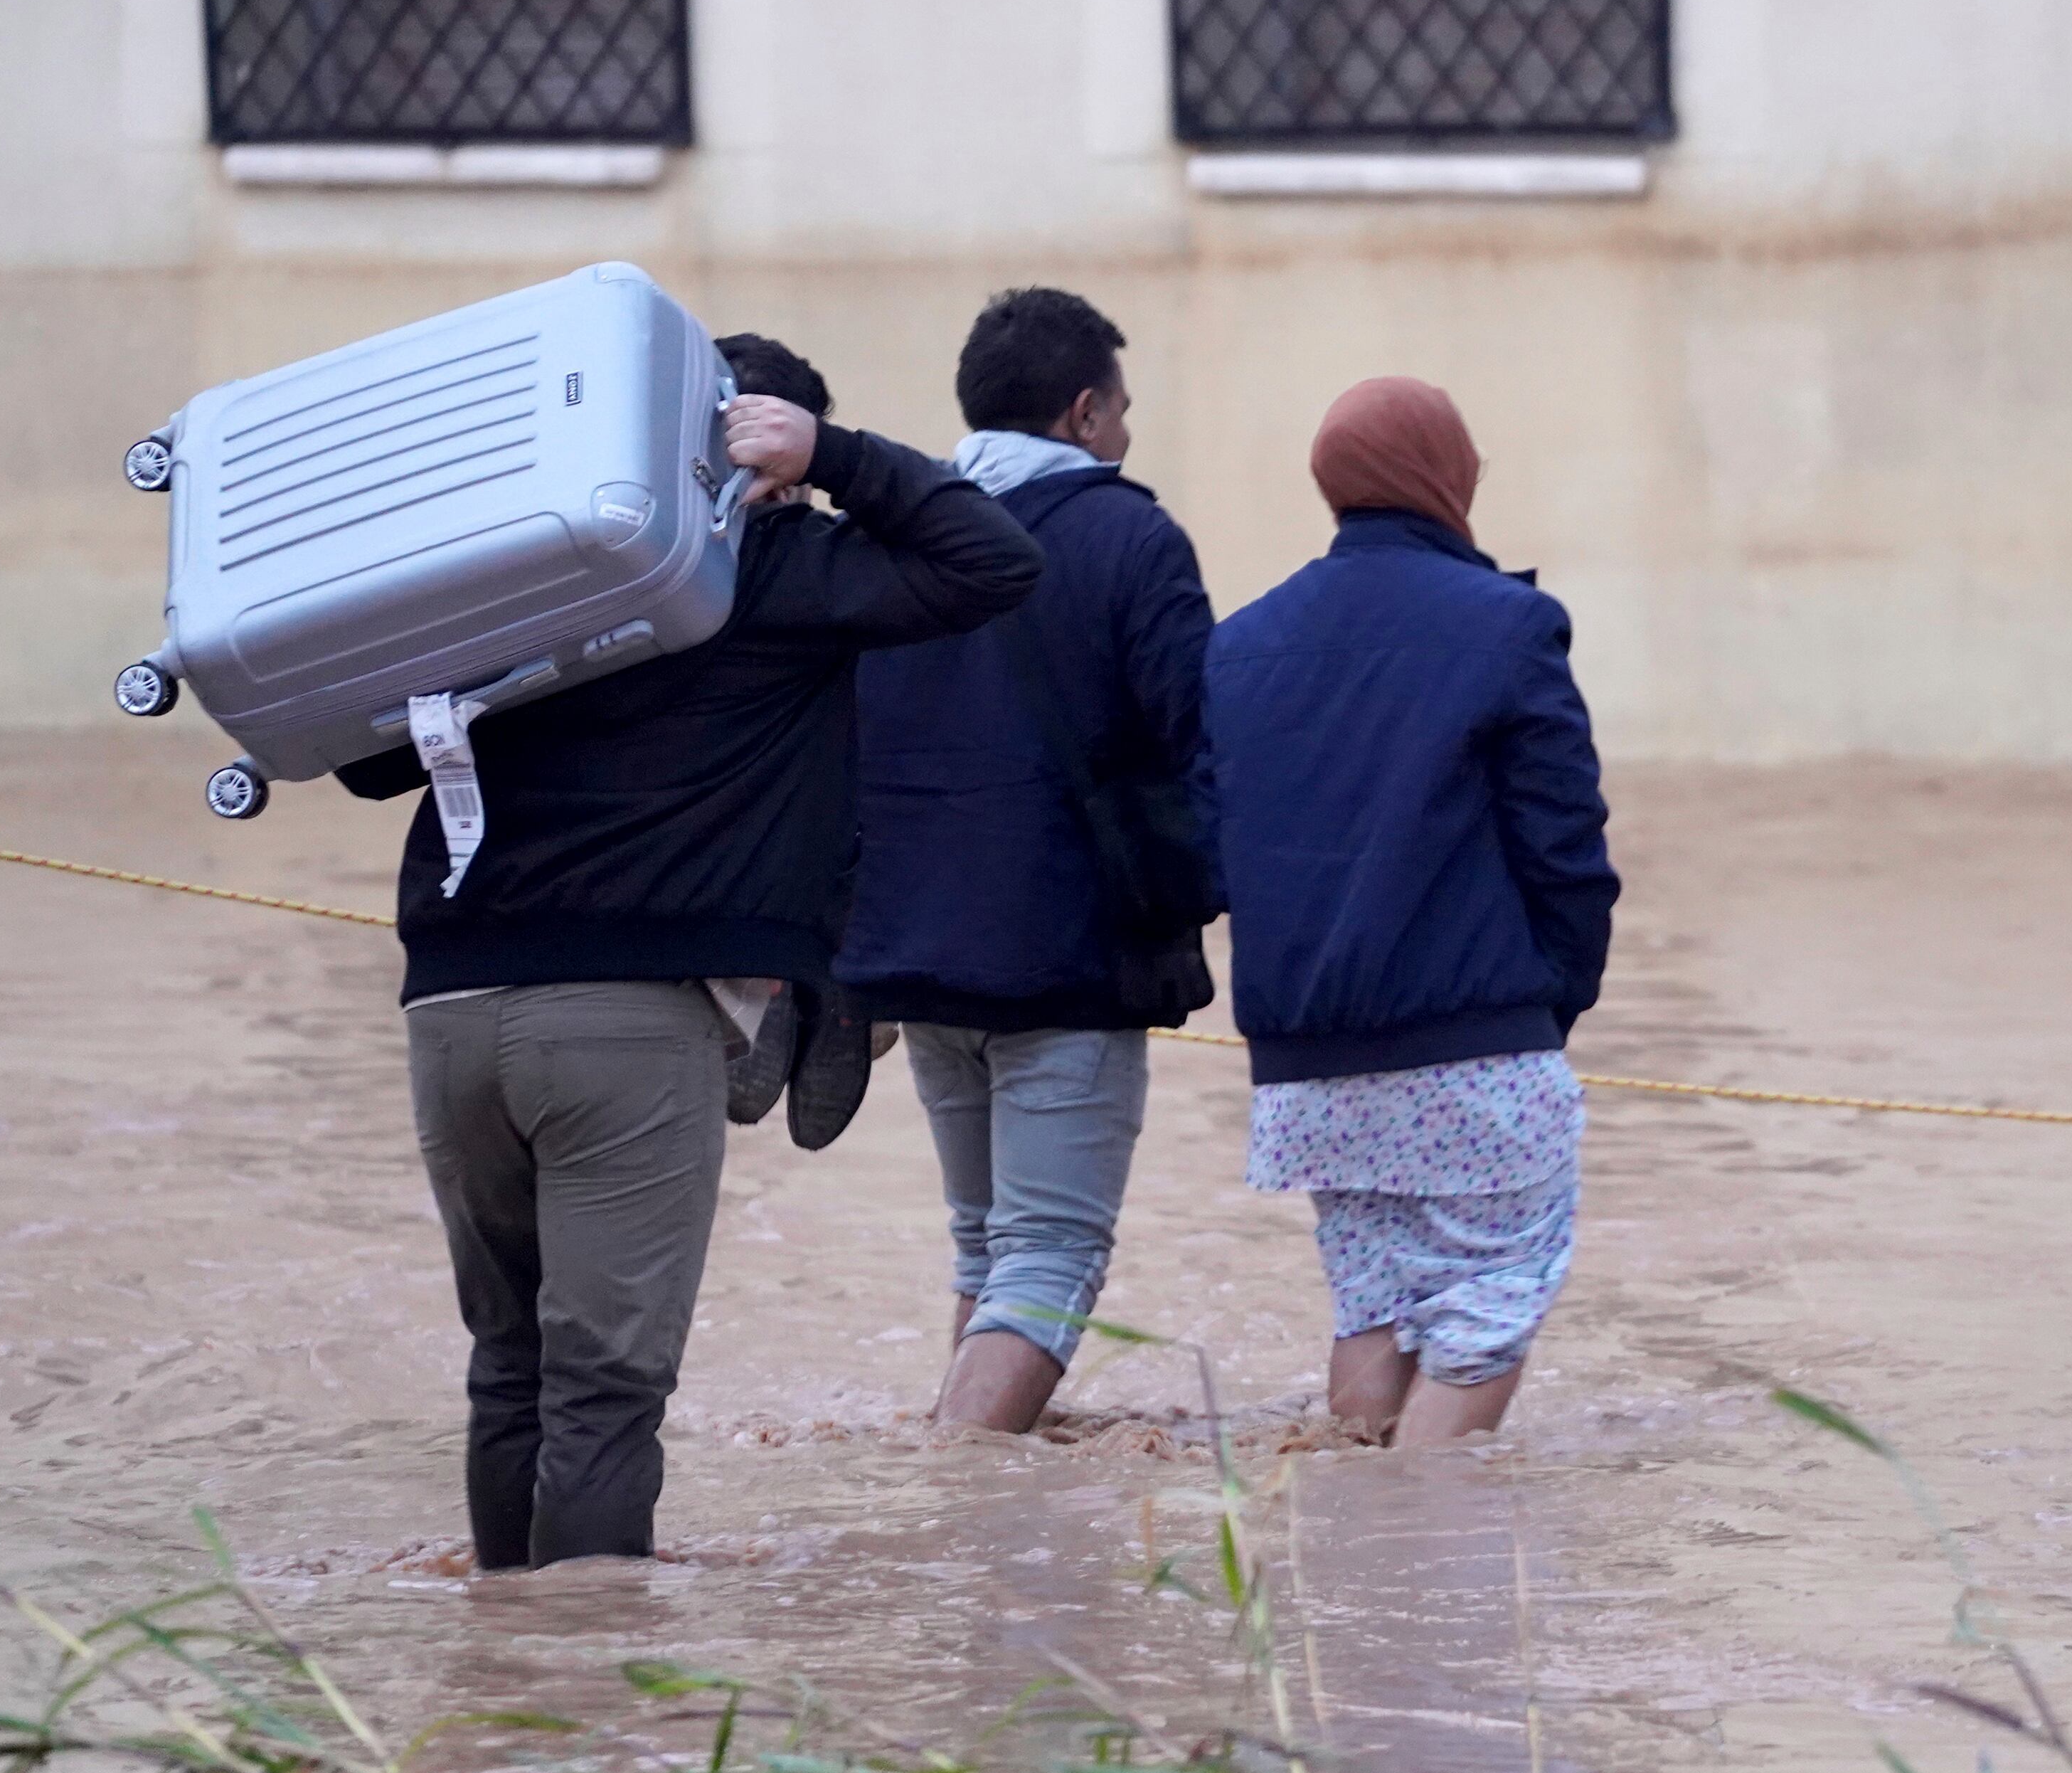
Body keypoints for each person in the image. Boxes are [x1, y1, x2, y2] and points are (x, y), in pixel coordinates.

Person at [339, 339, 1041, 1568]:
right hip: (621, 1024)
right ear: (758, 457)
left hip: (448, 1009)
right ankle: (586, 1711)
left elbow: (363, 754)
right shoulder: (769, 568)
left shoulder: (524, 573)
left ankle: (504, 1678)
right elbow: (994, 558)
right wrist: (840, 460)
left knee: (511, 1364)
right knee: (605, 1387)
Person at [1204, 378, 1617, 1447]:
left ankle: (1355, 1563)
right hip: (1477, 1054)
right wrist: (1548, 1007)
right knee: (1487, 1309)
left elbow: (1225, 843)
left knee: (1374, 1309)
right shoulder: (1510, 625)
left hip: (1309, 1073)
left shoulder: (1243, 642)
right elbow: (1566, 849)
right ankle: (1418, 1549)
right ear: (1448, 474)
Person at [836, 287, 1218, 1433]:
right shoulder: (1130, 536)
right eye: (1123, 411)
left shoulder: (893, 535)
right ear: (1086, 411)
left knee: (987, 1240)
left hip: (911, 958)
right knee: (1051, 1259)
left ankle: (978, 1533)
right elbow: (1203, 732)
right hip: (1065, 955)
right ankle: (951, 1486)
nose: (1128, 435)